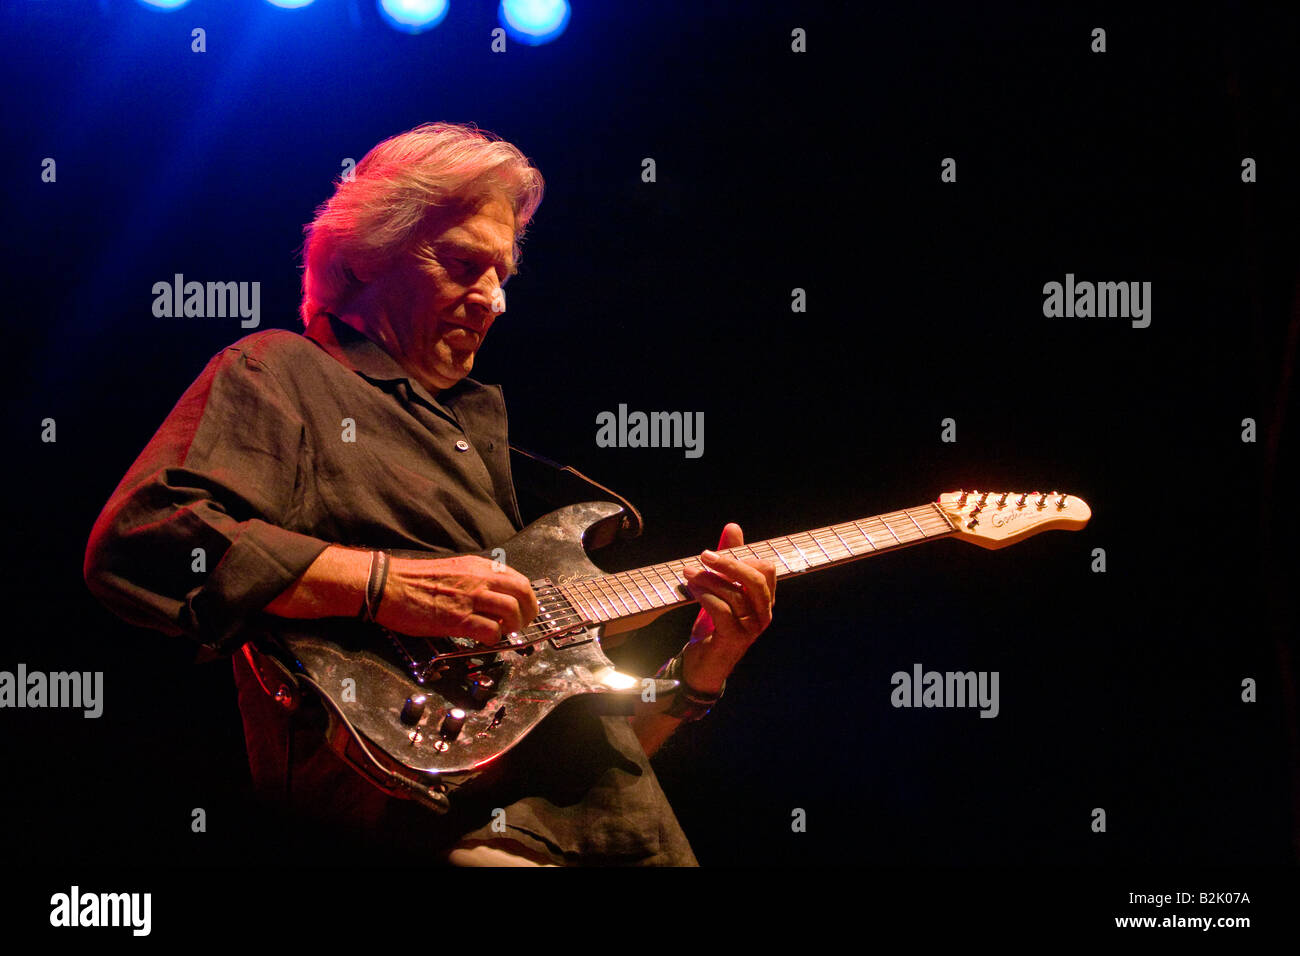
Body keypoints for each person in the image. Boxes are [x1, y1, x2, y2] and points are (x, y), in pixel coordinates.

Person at [84, 122, 776, 866]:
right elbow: (143, 535)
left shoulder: (475, 444)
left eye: (502, 277)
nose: (491, 301)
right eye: (462, 265)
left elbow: (572, 759)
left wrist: (702, 670)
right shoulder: (282, 372)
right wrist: (386, 585)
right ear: (363, 255)